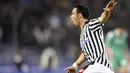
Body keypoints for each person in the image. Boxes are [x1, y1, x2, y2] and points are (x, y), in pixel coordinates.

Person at [64, 0, 117, 73]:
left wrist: (107, 11)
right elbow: (85, 54)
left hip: (99, 66)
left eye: (73, 14)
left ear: (79, 15)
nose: (70, 17)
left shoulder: (90, 25)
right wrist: (75, 65)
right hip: (99, 68)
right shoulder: (82, 35)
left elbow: (102, 19)